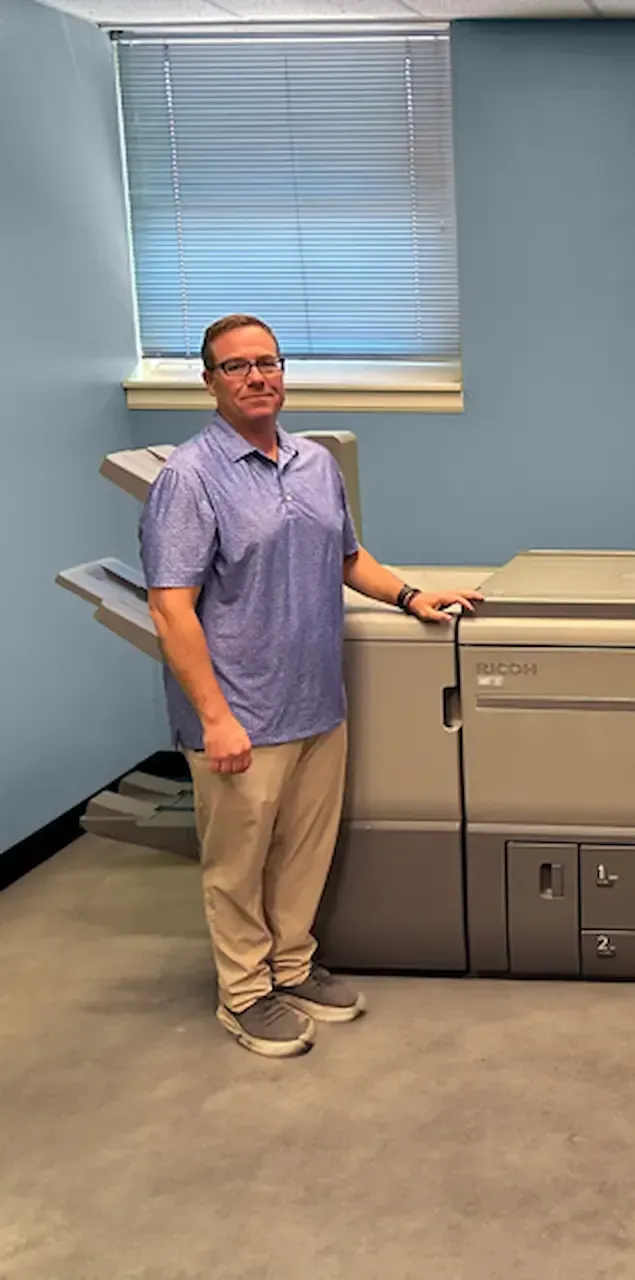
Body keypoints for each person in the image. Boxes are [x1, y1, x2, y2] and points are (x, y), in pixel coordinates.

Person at [139, 314, 482, 1058]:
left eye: (267, 362)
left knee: (302, 853)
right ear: (209, 382)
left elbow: (347, 557)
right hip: (241, 713)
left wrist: (410, 596)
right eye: (236, 367)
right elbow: (170, 607)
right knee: (238, 864)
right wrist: (215, 717)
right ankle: (244, 993)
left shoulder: (313, 463)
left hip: (317, 700)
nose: (257, 377)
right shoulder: (189, 479)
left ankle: (291, 968)